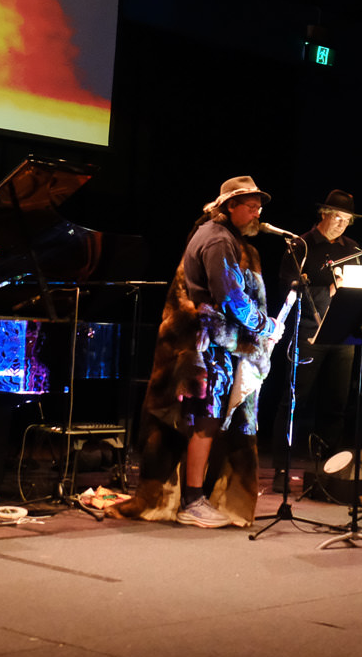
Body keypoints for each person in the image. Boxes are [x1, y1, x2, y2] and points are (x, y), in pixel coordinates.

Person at [108, 176, 285, 529]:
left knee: (207, 420)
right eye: (250, 206)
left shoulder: (217, 235)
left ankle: (193, 496)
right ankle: (192, 500)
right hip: (206, 344)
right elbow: (232, 299)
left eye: (259, 206)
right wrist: (267, 327)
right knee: (205, 420)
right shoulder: (218, 239)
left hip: (210, 342)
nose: (256, 212)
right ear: (229, 206)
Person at [272, 190, 362, 464]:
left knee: (336, 406)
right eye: (338, 216)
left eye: (347, 219)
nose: (342, 223)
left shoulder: (352, 248)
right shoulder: (302, 245)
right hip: (309, 333)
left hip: (343, 335)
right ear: (323, 213)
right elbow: (287, 290)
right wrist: (330, 289)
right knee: (294, 401)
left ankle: (329, 468)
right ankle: (282, 467)